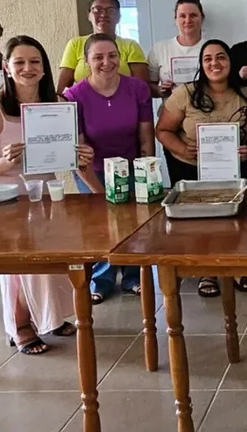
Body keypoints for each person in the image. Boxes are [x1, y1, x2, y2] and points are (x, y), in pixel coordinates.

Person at [0, 35, 92, 354]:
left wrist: (83, 160)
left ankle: (50, 318)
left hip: (45, 194)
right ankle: (21, 325)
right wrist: (4, 162)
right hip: (6, 200)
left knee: (53, 260)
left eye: (35, 61)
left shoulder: (59, 104)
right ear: (6, 67)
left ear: (44, 67)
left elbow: (74, 154)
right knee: (24, 267)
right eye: (19, 62)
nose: (28, 68)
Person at [156, 40, 247, 298]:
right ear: (201, 65)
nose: (215, 63)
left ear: (230, 61)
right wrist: (183, 149)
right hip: (193, 171)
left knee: (236, 221)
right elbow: (162, 130)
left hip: (236, 172)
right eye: (208, 59)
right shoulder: (185, 93)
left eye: (221, 57)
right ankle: (206, 271)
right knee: (203, 223)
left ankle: (235, 266)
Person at [63, 34, 155, 303]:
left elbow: (146, 135)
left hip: (132, 165)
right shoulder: (74, 96)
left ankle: (133, 277)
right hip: (92, 170)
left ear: (120, 57)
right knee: (102, 223)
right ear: (86, 61)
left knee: (133, 222)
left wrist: (146, 172)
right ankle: (101, 279)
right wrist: (99, 191)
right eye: (98, 57)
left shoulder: (137, 88)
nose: (107, 62)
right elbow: (78, 151)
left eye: (112, 55)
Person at [57, 0, 148, 94]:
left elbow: (142, 90)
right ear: (89, 15)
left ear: (119, 17)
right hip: (82, 102)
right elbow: (62, 91)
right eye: (97, 10)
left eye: (111, 10)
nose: (103, 15)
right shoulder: (75, 44)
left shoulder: (131, 46)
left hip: (123, 101)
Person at [147, 0, 207, 97]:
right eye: (182, 16)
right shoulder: (160, 49)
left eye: (193, 15)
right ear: (176, 19)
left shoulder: (212, 48)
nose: (188, 20)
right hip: (171, 106)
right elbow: (149, 86)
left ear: (202, 18)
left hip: (206, 106)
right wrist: (160, 90)